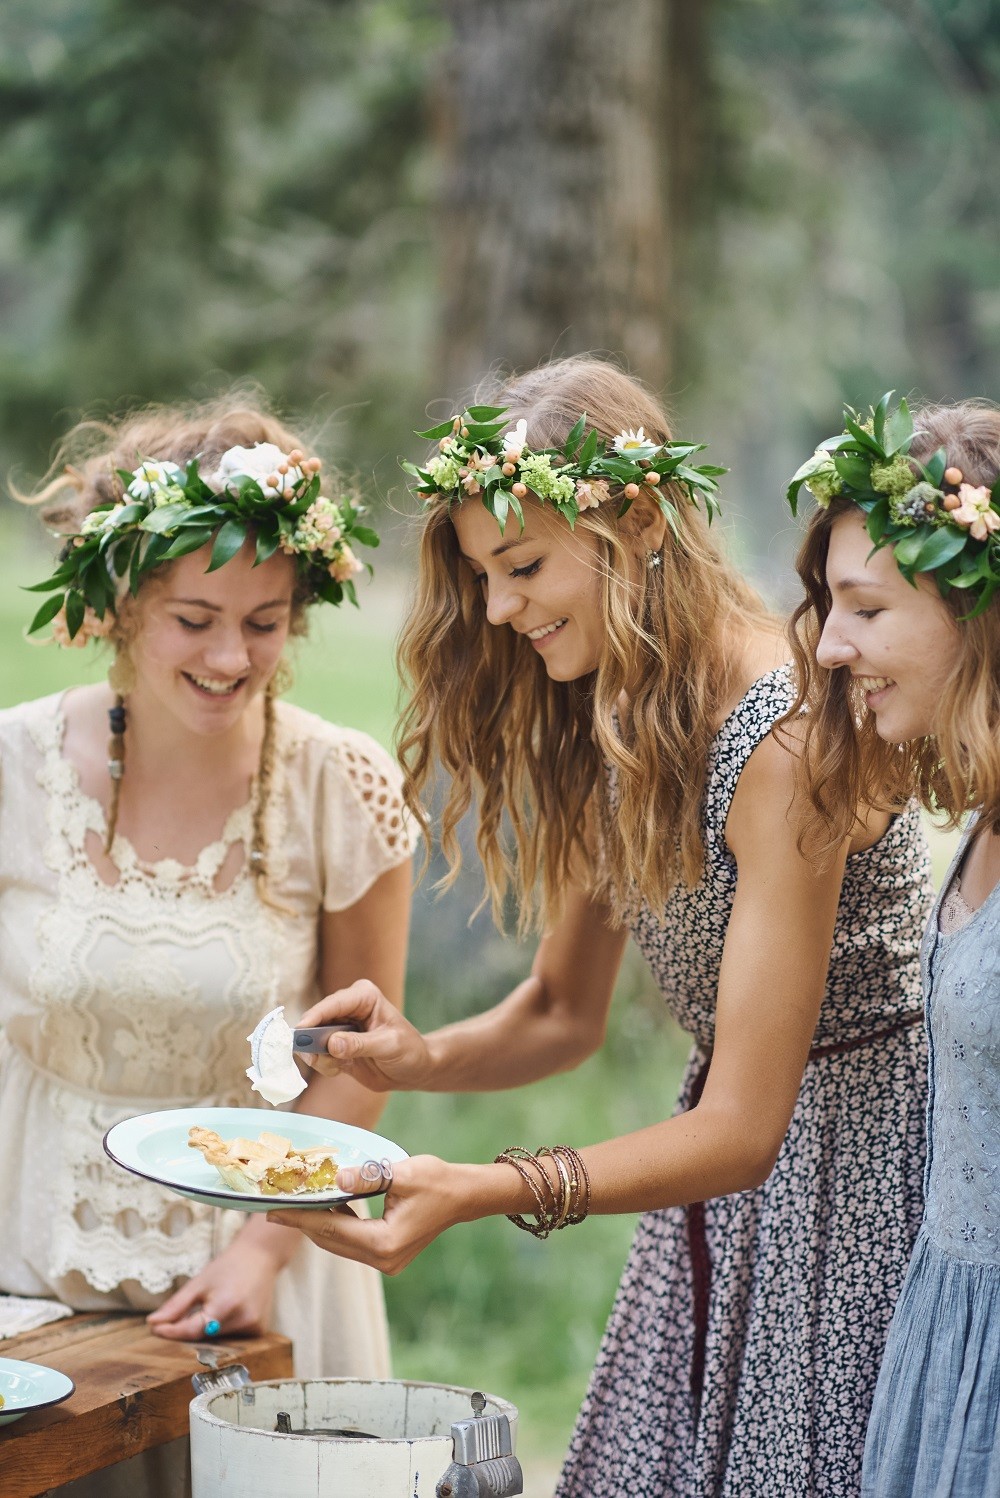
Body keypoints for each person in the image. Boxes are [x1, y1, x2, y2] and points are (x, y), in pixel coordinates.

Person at [270, 357, 934, 1497]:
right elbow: (561, 1011)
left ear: (635, 519)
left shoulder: (786, 743)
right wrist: (417, 1057)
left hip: (853, 1189)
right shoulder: (618, 705)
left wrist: (482, 1186)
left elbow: (743, 1127)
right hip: (719, 1199)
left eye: (521, 566)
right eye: (482, 574)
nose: (496, 608)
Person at [0, 400, 414, 1488]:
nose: (232, 656)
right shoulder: (12, 766)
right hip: (28, 1256)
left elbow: (367, 1054)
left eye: (265, 620)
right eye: (194, 617)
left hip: (262, 1272)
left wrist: (263, 1247)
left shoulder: (341, 782)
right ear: (120, 602)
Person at [785, 393, 1000, 1497]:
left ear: (974, 611)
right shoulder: (976, 825)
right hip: (946, 1340)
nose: (829, 645)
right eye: (828, 603)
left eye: (865, 607)